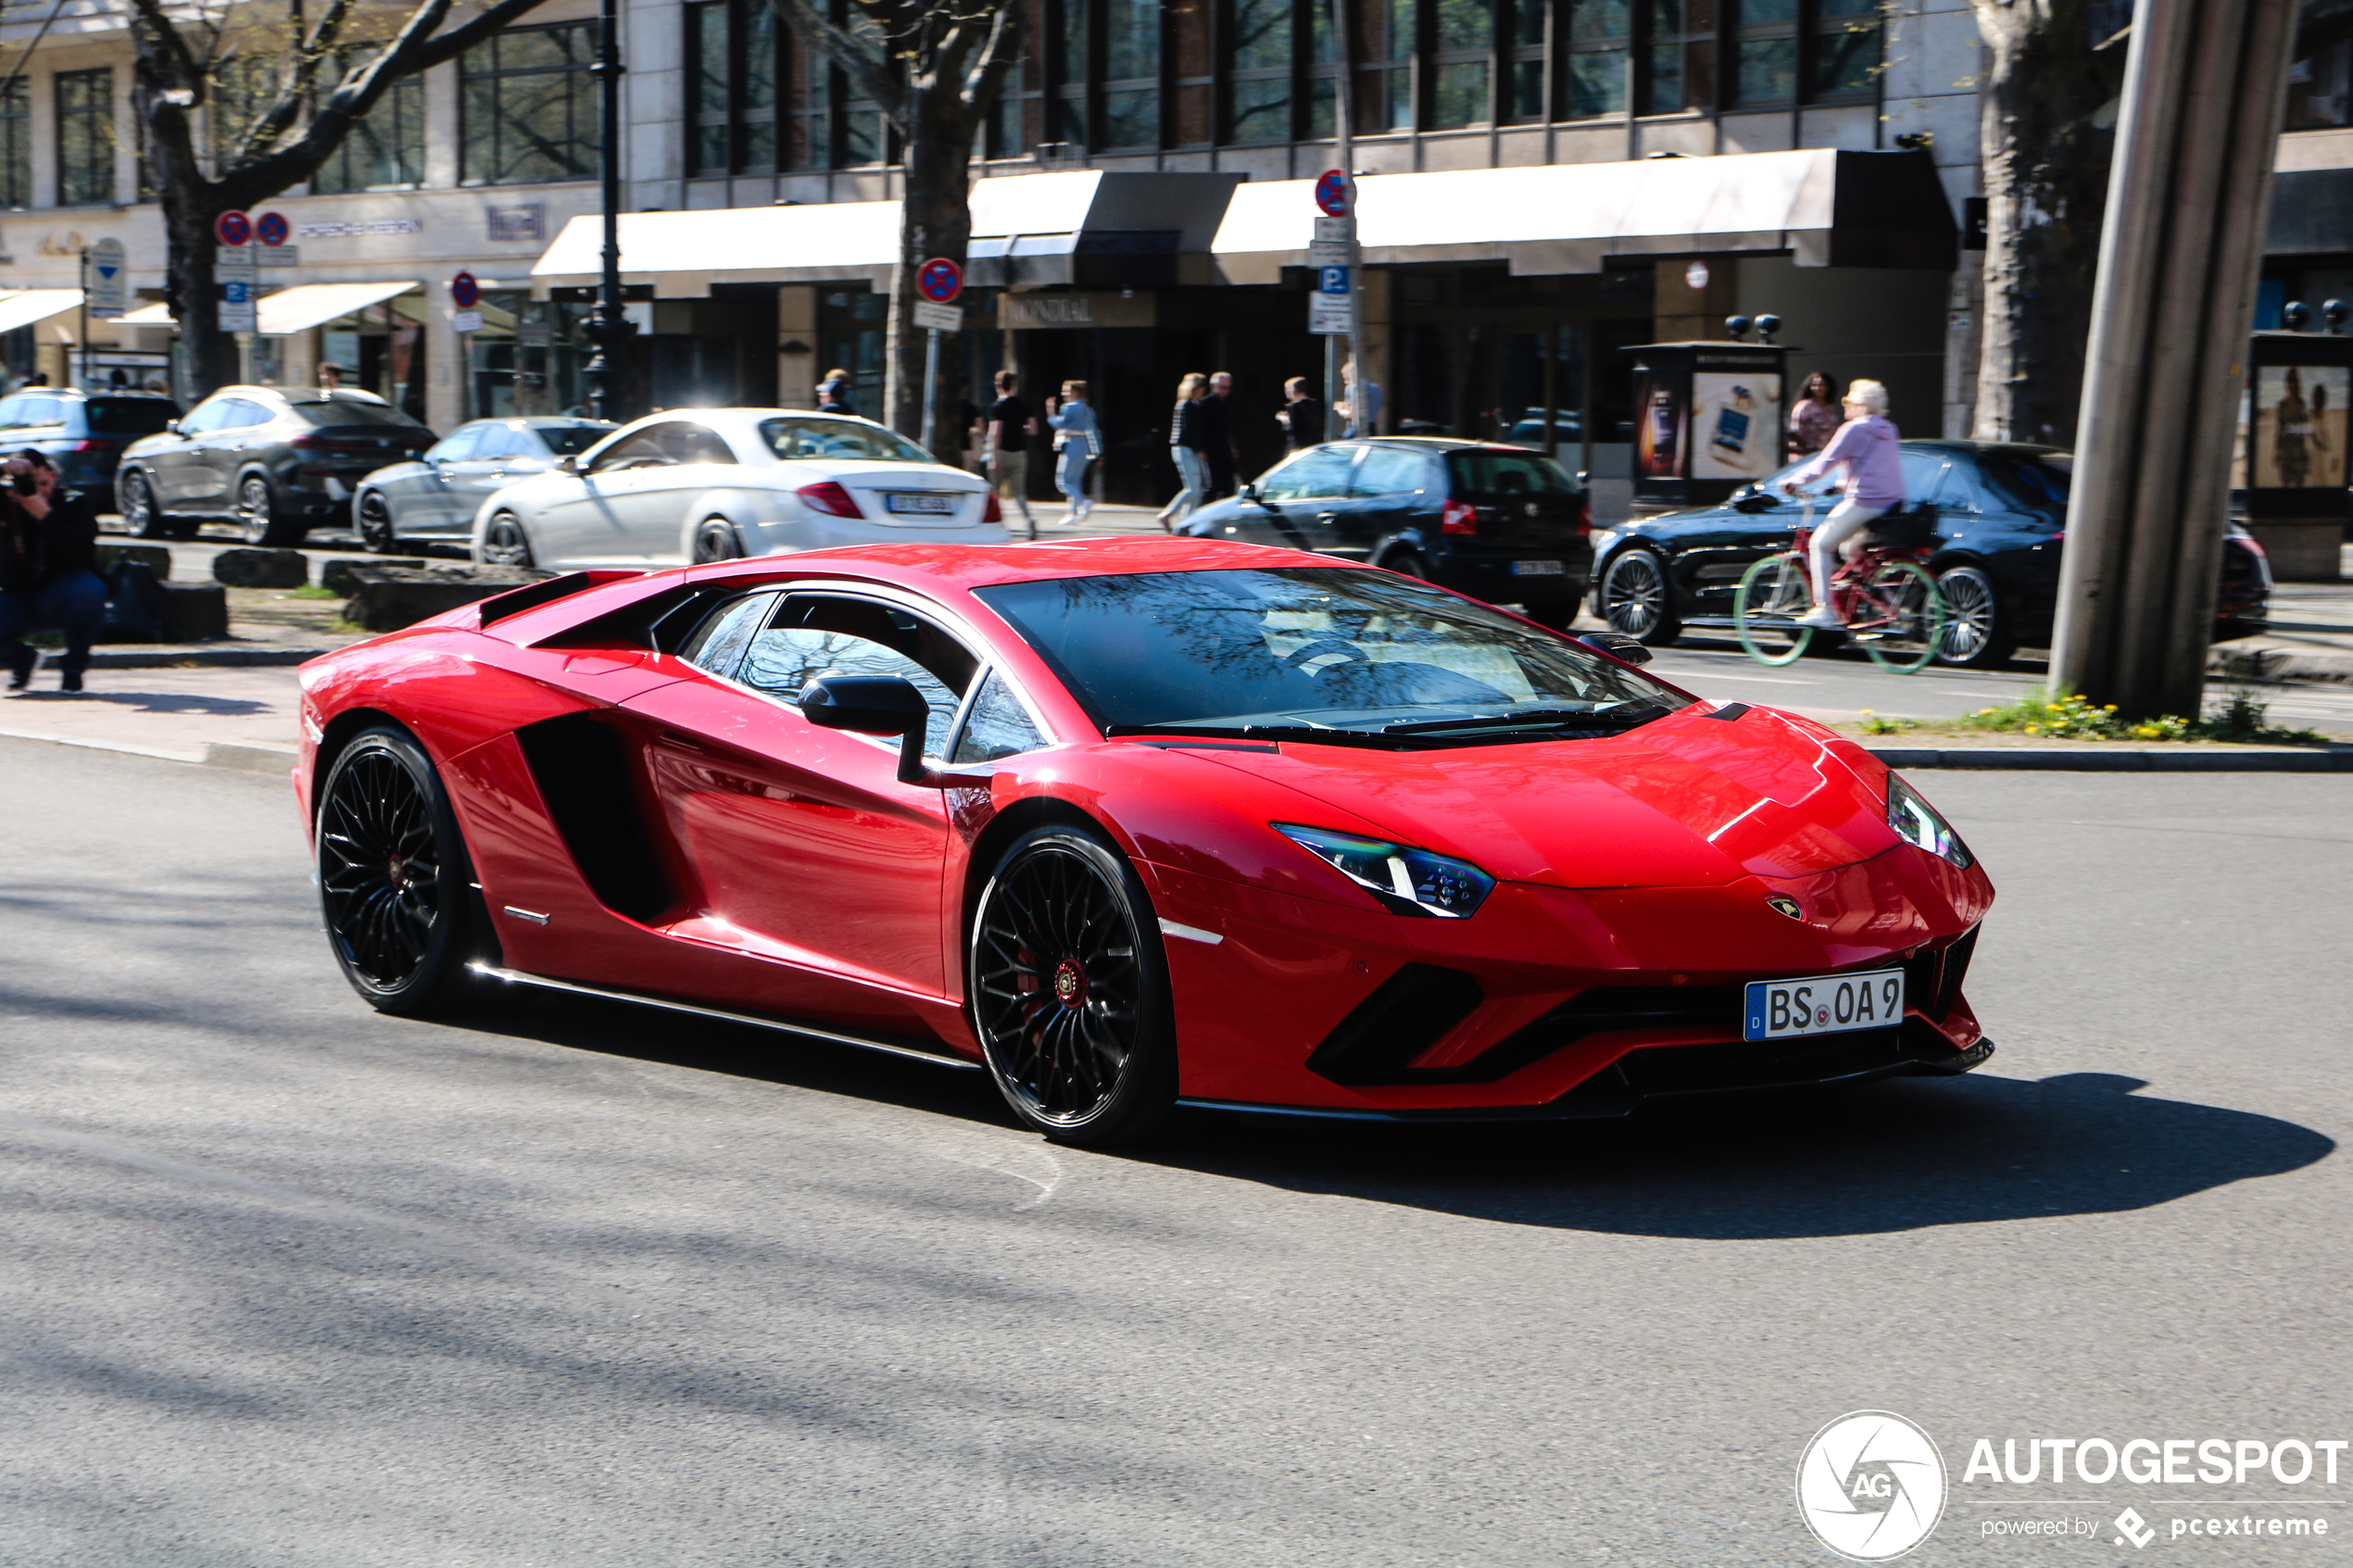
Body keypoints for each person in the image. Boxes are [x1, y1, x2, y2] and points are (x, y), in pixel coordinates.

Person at [1780, 379, 1903, 631]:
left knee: (1820, 544)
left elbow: (1824, 463)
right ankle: (1891, 609)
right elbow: (1874, 464)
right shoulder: (1889, 429)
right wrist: (1843, 483)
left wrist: (1793, 481)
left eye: (1849, 401)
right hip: (1892, 502)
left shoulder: (1852, 429)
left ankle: (1824, 610)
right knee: (1850, 548)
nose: (1846, 406)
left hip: (1865, 502)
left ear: (1859, 405)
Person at [1, 450, 105, 694]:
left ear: (53, 476)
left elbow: (83, 556)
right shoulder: (7, 505)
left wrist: (45, 515)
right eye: (28, 484)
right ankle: (21, 660)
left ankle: (73, 670)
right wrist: (4, 465)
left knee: (90, 589)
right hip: (16, 599)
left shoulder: (74, 504)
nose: (37, 490)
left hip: (61, 596)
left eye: (43, 482)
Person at [986, 370, 1038, 538]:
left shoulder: (998, 406)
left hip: (1001, 453)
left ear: (998, 385)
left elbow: (996, 433)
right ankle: (1029, 520)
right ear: (1013, 385)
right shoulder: (1024, 404)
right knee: (1019, 493)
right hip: (1020, 454)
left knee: (994, 494)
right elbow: (1033, 429)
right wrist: (1020, 428)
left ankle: (997, 525)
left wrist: (993, 458)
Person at [1155, 372, 1211, 531]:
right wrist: (1199, 449)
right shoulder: (1187, 405)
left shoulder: (1190, 405)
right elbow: (1189, 431)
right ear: (1197, 388)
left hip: (1187, 449)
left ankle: (1186, 522)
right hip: (1185, 449)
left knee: (1197, 489)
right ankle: (1168, 513)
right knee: (1193, 488)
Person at [1045, 380, 1101, 527]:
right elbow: (1094, 430)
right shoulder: (1088, 410)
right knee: (1075, 481)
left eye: (1067, 391)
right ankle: (1072, 514)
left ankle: (1083, 501)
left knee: (1063, 481)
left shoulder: (1068, 407)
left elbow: (1058, 424)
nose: (1064, 394)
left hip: (1071, 445)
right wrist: (1098, 452)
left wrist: (1050, 413)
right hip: (1084, 447)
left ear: (1075, 392)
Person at [1199, 371, 1239, 498]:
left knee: (1229, 484)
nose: (1225, 391)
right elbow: (1200, 428)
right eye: (1222, 387)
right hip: (1210, 450)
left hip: (1224, 449)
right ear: (1212, 386)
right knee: (1213, 485)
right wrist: (1202, 449)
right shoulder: (1204, 403)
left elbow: (1229, 429)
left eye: (1228, 388)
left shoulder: (1227, 404)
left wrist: (1233, 449)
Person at [1788, 371, 1841, 458]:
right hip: (1807, 455)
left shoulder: (1831, 408)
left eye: (1824, 385)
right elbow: (1796, 432)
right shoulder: (1804, 406)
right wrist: (1807, 449)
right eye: (1816, 385)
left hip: (1827, 454)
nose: (1820, 388)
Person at [1335, 358, 1381, 437]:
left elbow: (1352, 413)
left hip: (1355, 429)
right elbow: (1380, 416)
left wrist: (1340, 409)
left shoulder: (1351, 388)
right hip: (1372, 429)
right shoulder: (1376, 388)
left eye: (1346, 378)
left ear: (1351, 374)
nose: (1345, 382)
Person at [1276, 377, 1326, 450]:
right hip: (1313, 444)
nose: (1286, 391)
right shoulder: (1315, 403)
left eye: (1288, 389)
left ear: (1296, 389)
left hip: (1297, 445)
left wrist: (1284, 419)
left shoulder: (1294, 406)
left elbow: (1292, 427)